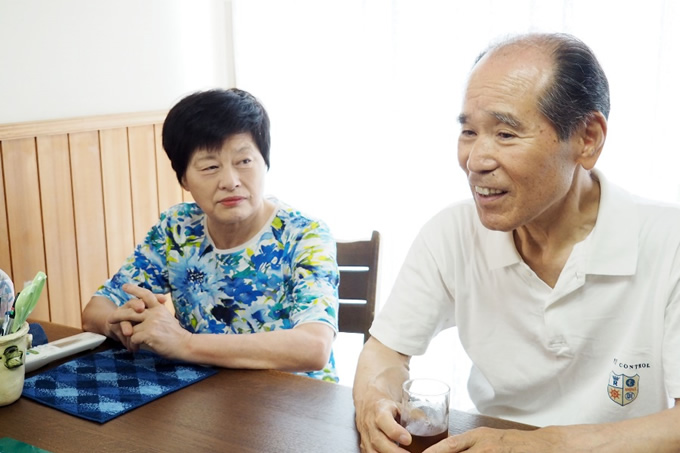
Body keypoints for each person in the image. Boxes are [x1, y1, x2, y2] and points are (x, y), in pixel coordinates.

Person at [353, 32, 680, 452]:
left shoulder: (669, 241)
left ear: (588, 138)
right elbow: (384, 353)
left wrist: (550, 445)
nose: (476, 161)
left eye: (506, 134)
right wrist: (375, 403)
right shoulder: (452, 231)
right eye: (469, 131)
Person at [82, 88, 340, 382]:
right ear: (184, 179)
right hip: (203, 400)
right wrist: (125, 324)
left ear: (264, 163)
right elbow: (96, 310)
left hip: (299, 407)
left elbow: (314, 347)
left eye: (244, 162)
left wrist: (183, 343)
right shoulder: (178, 228)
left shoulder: (305, 235)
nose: (230, 182)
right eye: (210, 167)